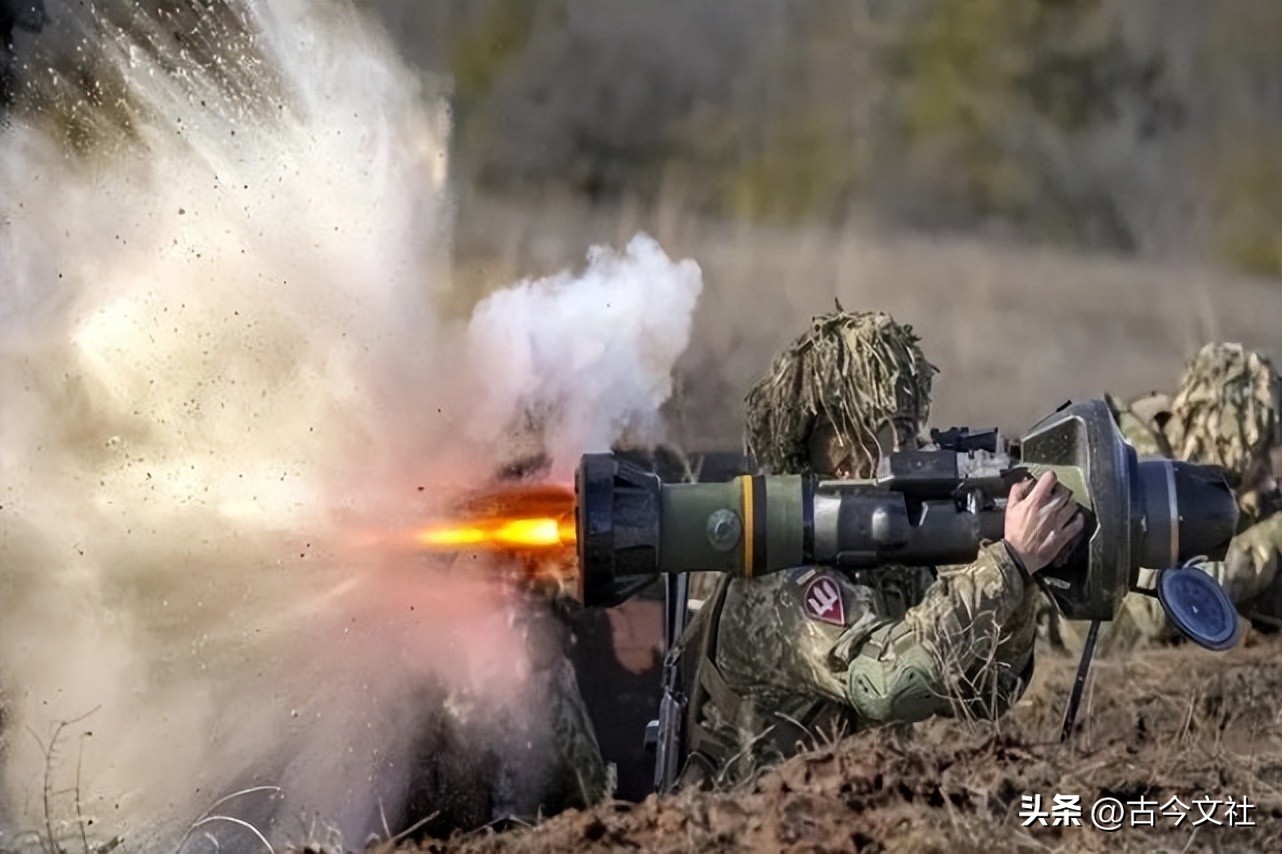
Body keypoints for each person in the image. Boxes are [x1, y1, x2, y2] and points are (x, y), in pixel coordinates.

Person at [672, 310, 1082, 788]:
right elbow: (889, 684)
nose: (908, 445)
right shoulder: (781, 580)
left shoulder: (882, 562)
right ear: (839, 456)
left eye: (907, 429)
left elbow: (983, 693)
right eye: (886, 431)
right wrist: (1007, 564)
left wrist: (1019, 577)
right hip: (742, 829)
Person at [1053, 343, 1281, 652]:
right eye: (1260, 451)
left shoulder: (1187, 475)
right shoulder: (1131, 465)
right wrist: (1269, 541)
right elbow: (1159, 606)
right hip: (1050, 648)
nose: (1267, 468)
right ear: (1227, 434)